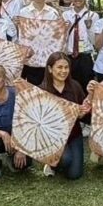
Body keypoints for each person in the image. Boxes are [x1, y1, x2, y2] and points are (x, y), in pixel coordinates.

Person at [40, 52, 90, 180]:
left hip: (73, 134)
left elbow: (82, 113)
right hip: (53, 137)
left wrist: (83, 112)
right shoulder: (42, 90)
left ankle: (59, 161)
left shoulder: (75, 86)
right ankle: (51, 163)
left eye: (66, 67)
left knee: (74, 174)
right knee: (66, 159)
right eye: (59, 67)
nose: (63, 71)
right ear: (50, 69)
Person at [16, 0, 62, 85]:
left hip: (47, 58)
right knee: (32, 87)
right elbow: (22, 36)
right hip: (30, 59)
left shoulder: (53, 13)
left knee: (48, 87)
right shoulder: (23, 12)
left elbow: (56, 36)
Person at [63, 0, 100, 93]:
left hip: (85, 57)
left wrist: (89, 28)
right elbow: (62, 39)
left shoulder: (93, 16)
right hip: (69, 57)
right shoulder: (65, 15)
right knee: (70, 88)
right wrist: (65, 29)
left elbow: (94, 41)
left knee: (86, 88)